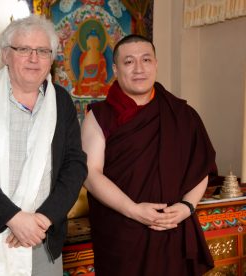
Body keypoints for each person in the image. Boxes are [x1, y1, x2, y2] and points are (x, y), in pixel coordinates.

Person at [0, 14, 87, 276]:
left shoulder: (62, 101)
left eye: (43, 51)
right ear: (5, 54)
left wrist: (42, 220)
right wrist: (13, 218)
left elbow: (75, 166)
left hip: (41, 241)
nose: (34, 58)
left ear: (52, 58)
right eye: (23, 49)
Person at [81, 34, 217, 276]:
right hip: (122, 231)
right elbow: (90, 174)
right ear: (115, 68)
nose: (139, 69)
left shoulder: (182, 114)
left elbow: (201, 167)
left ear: (156, 64)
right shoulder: (99, 116)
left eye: (146, 60)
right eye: (129, 62)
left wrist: (187, 206)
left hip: (173, 227)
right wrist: (134, 210)